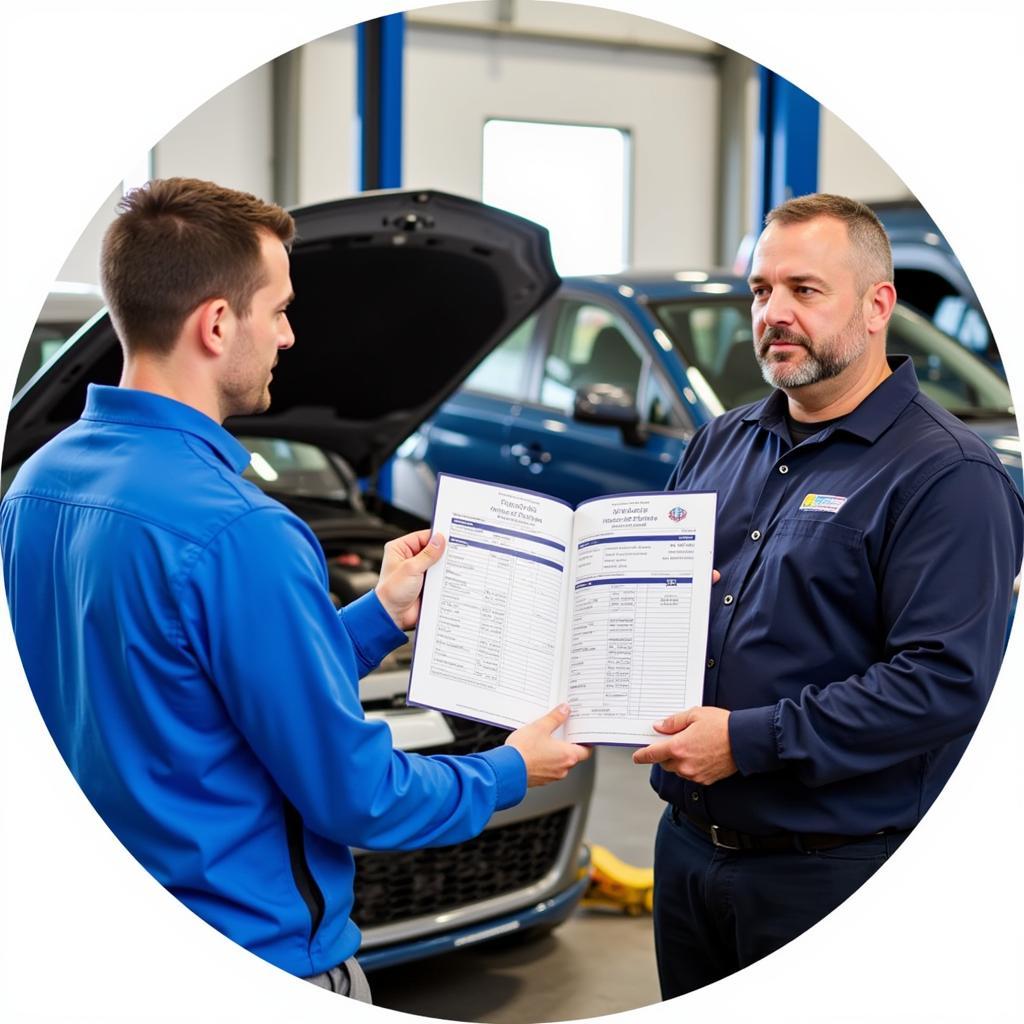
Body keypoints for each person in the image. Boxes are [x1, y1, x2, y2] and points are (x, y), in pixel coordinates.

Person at [0, 177, 590, 1000]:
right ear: (215, 323)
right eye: (277, 309)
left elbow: (198, 687)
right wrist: (508, 769)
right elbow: (356, 797)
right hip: (256, 949)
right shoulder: (242, 531)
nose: (289, 335)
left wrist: (380, 615)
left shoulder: (36, 486)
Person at [632, 193, 1024, 998]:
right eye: (760, 291)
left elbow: (942, 683)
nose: (774, 313)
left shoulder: (947, 476)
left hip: (834, 875)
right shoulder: (720, 441)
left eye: (804, 290)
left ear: (878, 305)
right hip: (688, 852)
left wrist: (750, 740)